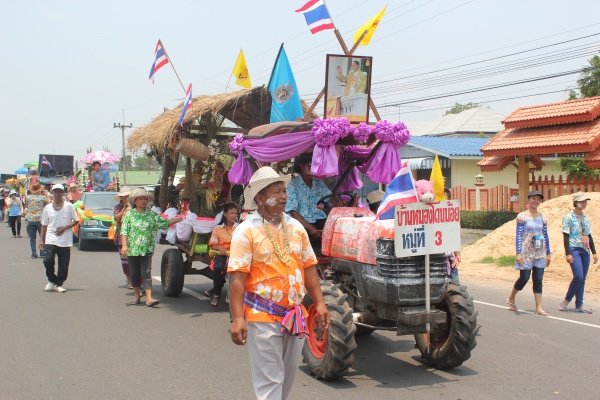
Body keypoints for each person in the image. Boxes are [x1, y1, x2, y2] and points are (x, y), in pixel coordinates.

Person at [228, 166, 330, 400]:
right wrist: (238, 319)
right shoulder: (246, 231)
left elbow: (309, 269)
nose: (284, 196)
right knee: (270, 381)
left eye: (284, 191)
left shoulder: (296, 228)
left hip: (295, 316)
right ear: (260, 198)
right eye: (277, 191)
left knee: (285, 381)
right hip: (262, 316)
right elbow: (237, 278)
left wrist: (320, 303)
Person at [120, 188, 182, 307]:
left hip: (147, 248)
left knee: (146, 272)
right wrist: (124, 246)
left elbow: (164, 223)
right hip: (132, 249)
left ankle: (149, 298)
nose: (143, 201)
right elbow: (124, 231)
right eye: (140, 199)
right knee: (134, 273)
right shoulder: (129, 215)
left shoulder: (151, 214)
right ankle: (137, 296)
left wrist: (180, 218)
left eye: (145, 199)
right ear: (135, 201)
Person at [506, 190, 551, 316]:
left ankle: (539, 307)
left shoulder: (543, 217)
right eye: (533, 198)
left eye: (538, 199)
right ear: (529, 199)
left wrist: (548, 253)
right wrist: (518, 253)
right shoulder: (522, 216)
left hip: (539, 252)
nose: (535, 201)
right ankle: (511, 298)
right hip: (526, 252)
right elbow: (518, 235)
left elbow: (545, 235)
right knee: (524, 278)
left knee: (538, 280)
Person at [285, 153, 338, 248]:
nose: (312, 166)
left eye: (314, 164)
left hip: (321, 221)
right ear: (301, 166)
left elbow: (330, 198)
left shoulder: (319, 183)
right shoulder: (293, 185)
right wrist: (311, 228)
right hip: (302, 223)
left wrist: (338, 199)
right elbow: (292, 211)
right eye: (309, 164)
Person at [558, 191, 598, 313]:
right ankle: (566, 300)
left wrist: (594, 252)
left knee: (583, 278)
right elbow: (565, 236)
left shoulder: (585, 218)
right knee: (578, 276)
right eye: (581, 201)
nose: (584, 203)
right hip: (574, 249)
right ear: (575, 203)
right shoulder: (568, 217)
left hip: (585, 250)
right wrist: (568, 253)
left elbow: (588, 235)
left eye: (585, 201)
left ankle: (579, 305)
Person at [40, 184, 78, 293]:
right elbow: (44, 224)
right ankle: (51, 279)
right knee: (47, 260)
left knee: (64, 264)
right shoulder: (48, 207)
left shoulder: (69, 206)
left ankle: (58, 283)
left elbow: (76, 220)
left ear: (63, 193)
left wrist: (65, 227)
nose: (57, 193)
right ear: (52, 193)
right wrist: (41, 239)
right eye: (55, 191)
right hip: (51, 238)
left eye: (60, 191)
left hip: (65, 240)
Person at [204, 202, 239, 307]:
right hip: (221, 253)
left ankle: (215, 289)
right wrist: (220, 248)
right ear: (225, 214)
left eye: (235, 213)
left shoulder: (240, 228)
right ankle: (217, 294)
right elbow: (213, 244)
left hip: (236, 254)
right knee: (218, 267)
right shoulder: (217, 228)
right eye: (231, 213)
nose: (234, 215)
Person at [113, 187, 133, 288]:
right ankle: (129, 281)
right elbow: (117, 218)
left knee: (136, 261)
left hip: (134, 237)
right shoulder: (118, 207)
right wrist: (124, 208)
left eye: (128, 196)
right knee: (125, 262)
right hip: (122, 237)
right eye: (124, 197)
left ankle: (138, 282)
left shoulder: (135, 207)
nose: (126, 198)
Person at [25, 183, 50, 258]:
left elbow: (26, 206)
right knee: (42, 237)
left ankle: (33, 253)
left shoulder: (28, 197)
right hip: (40, 219)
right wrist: (46, 195)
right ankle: (42, 252)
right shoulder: (42, 198)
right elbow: (48, 203)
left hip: (31, 219)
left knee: (32, 238)